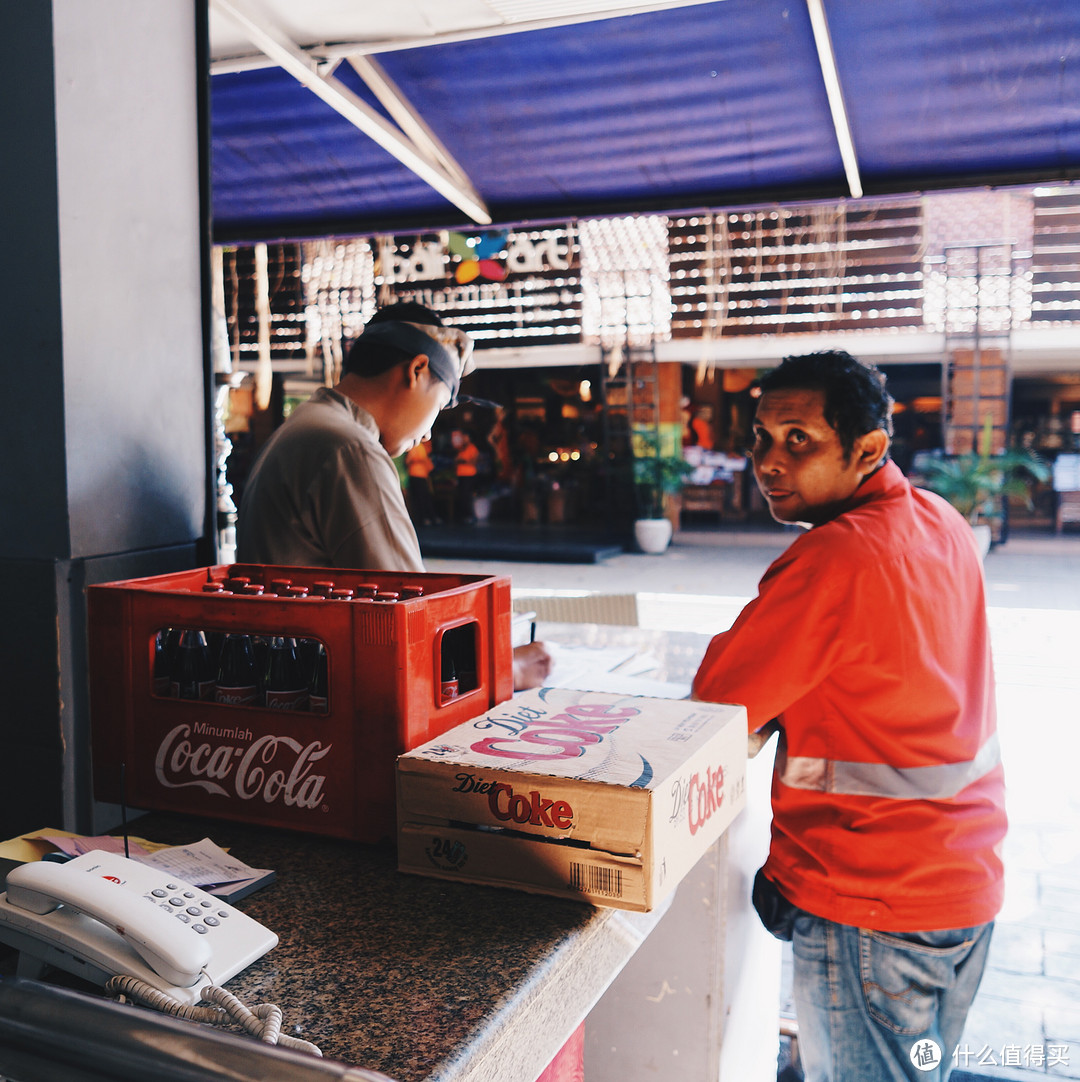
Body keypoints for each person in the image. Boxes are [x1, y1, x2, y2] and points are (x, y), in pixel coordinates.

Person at [691, 350, 1006, 1082]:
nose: (769, 461)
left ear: (867, 449)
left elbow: (718, 706)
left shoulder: (837, 557)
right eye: (762, 438)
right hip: (962, 881)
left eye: (798, 439)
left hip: (872, 899)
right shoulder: (939, 519)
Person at [237, 301, 551, 691]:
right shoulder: (349, 448)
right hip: (313, 688)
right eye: (440, 404)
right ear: (417, 370)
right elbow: (410, 619)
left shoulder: (307, 423)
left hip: (281, 672)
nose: (429, 433)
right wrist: (507, 669)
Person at [405, 438, 439, 526]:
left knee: (425, 497)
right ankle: (423, 518)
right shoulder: (416, 447)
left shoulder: (423, 448)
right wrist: (420, 461)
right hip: (416, 475)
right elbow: (408, 461)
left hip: (423, 475)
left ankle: (429, 517)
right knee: (420, 497)